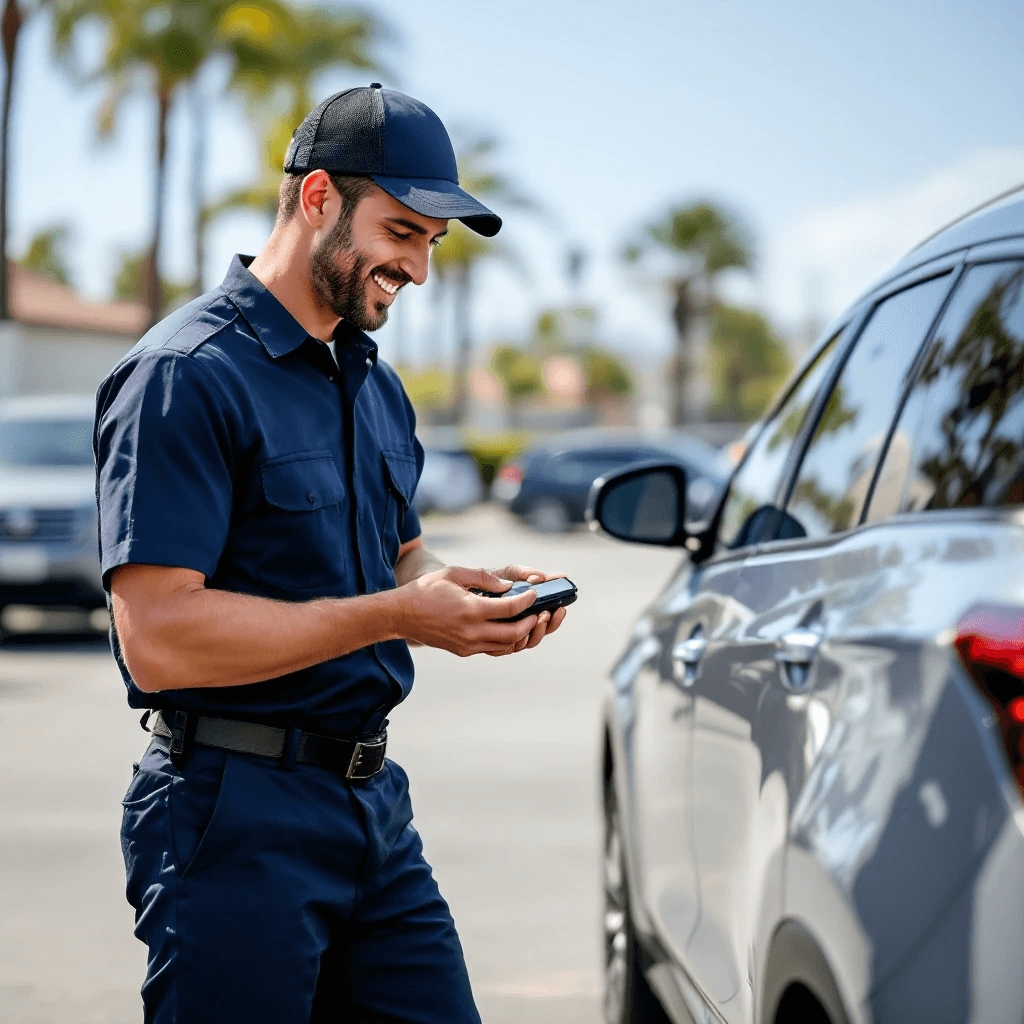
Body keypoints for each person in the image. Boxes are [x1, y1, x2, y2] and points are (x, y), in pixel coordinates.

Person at [94, 84, 569, 1024]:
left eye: (432, 243)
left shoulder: (375, 386)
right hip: (229, 816)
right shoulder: (183, 376)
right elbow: (159, 639)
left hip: (373, 812)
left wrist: (459, 592)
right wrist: (400, 616)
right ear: (317, 200)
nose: (419, 270)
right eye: (401, 232)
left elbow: (398, 563)